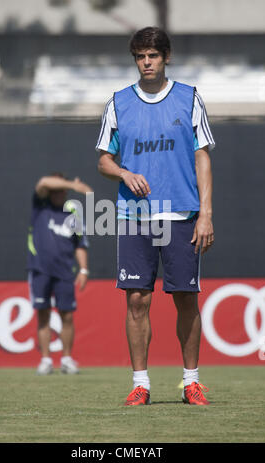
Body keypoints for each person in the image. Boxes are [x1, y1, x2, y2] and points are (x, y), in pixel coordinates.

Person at [96, 27, 215, 405]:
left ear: (165, 58)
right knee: (136, 301)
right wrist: (124, 173)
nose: (146, 62)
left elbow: (202, 157)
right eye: (140, 56)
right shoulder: (118, 103)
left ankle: (191, 381)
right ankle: (141, 384)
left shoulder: (189, 98)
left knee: (185, 298)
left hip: (181, 215)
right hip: (134, 217)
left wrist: (206, 214)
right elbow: (103, 159)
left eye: (153, 55)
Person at [27, 173, 92, 375]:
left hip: (65, 271)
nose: (58, 192)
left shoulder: (71, 213)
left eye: (61, 190)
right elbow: (43, 182)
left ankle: (66, 358)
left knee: (67, 316)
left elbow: (80, 244)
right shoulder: (40, 205)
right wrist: (73, 184)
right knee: (43, 315)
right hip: (40, 269)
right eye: (56, 189)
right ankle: (46, 359)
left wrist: (83, 269)